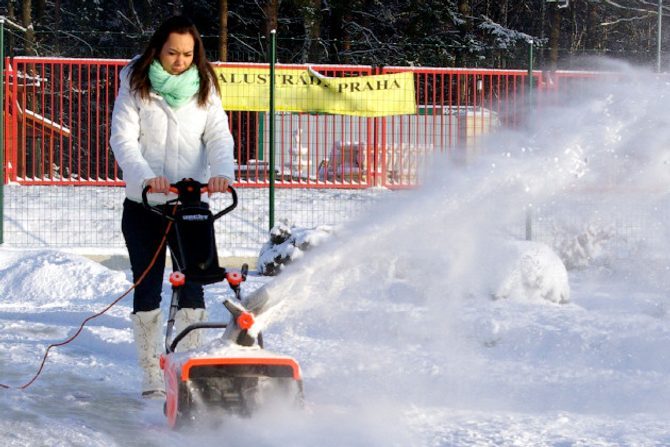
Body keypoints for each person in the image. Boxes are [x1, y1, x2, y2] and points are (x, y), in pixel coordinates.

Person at [110, 15, 235, 399]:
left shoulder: (205, 85)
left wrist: (222, 172)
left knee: (194, 284)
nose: (180, 61)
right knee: (147, 288)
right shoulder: (136, 83)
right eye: (172, 53)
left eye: (187, 53)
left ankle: (185, 367)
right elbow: (123, 138)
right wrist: (146, 176)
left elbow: (217, 135)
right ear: (156, 50)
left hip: (190, 204)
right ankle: (151, 372)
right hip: (145, 204)